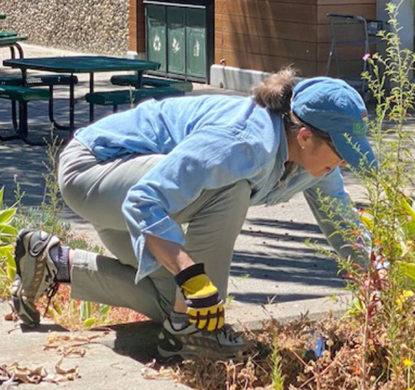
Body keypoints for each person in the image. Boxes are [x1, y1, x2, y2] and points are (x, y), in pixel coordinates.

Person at [10, 68, 376, 361]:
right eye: (341, 151)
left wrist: (383, 284)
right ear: (306, 136)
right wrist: (191, 276)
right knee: (230, 192)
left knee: (175, 305)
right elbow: (144, 200)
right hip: (96, 171)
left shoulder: (314, 166)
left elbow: (342, 224)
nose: (343, 162)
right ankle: (196, 336)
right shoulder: (246, 143)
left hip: (136, 196)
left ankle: (54, 262)